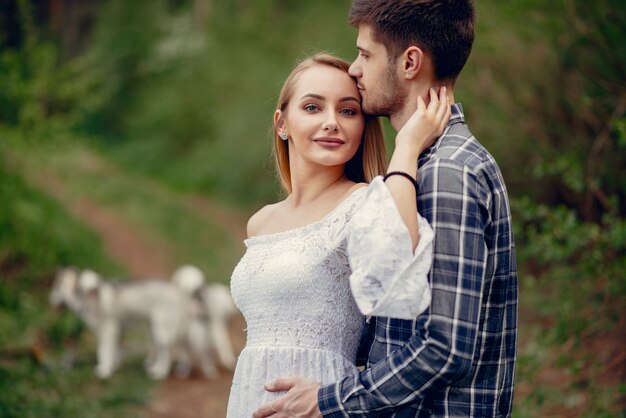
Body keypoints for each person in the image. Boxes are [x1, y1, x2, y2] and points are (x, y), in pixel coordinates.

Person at [253, 1, 518, 417]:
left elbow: (444, 348)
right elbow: (391, 321)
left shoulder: (447, 173)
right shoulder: (421, 169)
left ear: (410, 61)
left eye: (365, 54)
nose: (355, 70)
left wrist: (328, 400)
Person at [226, 53, 450, 417]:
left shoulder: (364, 203)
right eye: (313, 107)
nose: (331, 122)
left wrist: (406, 149)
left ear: (363, 126)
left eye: (348, 111)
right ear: (282, 123)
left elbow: (400, 268)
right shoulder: (261, 222)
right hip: (250, 399)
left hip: (320, 402)